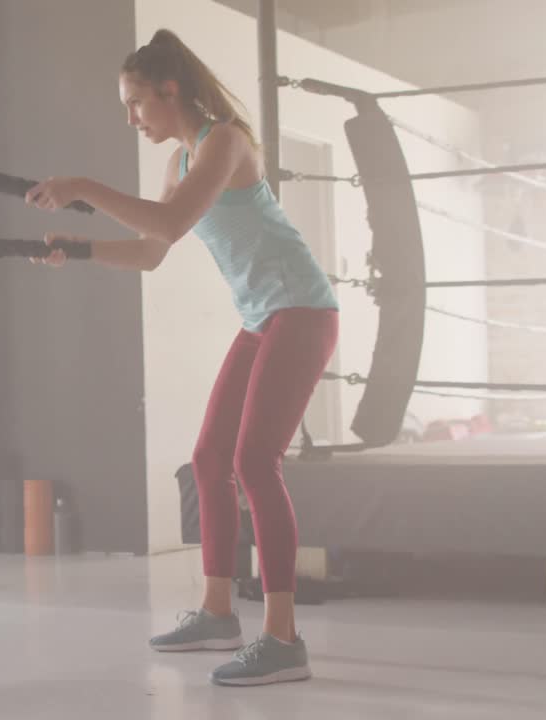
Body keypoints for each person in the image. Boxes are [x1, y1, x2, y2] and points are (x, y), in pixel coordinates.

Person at [25, 28, 339, 687]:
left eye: (135, 103)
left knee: (254, 461)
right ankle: (218, 614)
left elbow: (167, 225)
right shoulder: (181, 161)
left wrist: (82, 186)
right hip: (261, 318)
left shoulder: (225, 141)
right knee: (208, 460)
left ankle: (284, 639)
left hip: (302, 311)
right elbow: (150, 250)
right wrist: (76, 249)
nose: (131, 118)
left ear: (170, 91)